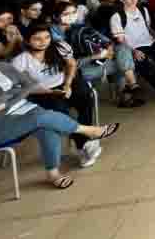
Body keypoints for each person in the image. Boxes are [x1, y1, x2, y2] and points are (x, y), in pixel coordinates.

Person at [0, 47, 120, 189]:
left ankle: (53, 173)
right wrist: (16, 93)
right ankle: (90, 131)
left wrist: (11, 98)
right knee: (40, 116)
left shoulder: (1, 67)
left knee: (47, 126)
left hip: (23, 108)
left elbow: (29, 85)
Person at [11, 25, 101, 167]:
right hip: (42, 92)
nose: (43, 42)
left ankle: (85, 139)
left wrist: (67, 84)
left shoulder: (59, 47)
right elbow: (19, 87)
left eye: (47, 37)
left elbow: (72, 65)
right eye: (37, 39)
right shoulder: (21, 60)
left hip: (64, 84)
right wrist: (48, 92)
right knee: (61, 110)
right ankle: (84, 143)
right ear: (27, 41)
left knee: (85, 97)